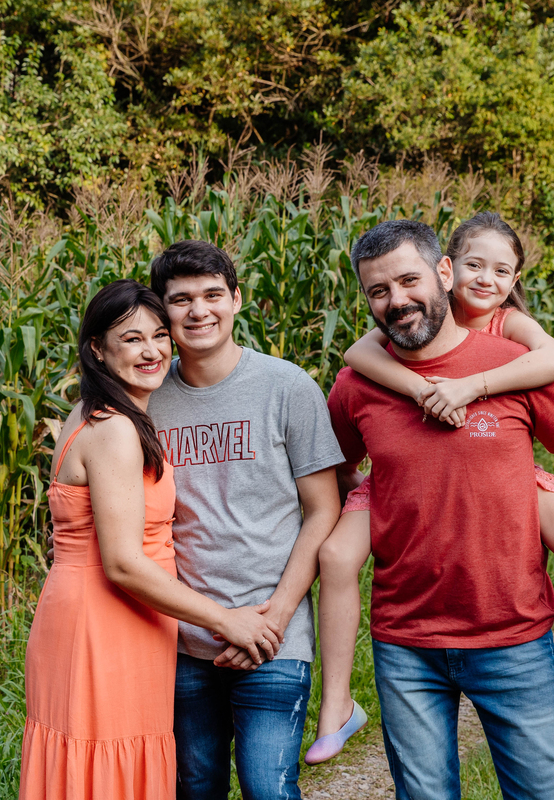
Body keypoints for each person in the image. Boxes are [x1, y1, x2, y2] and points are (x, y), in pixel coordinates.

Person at [307, 213, 554, 766]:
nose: (485, 279)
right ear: (454, 268)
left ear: (439, 273)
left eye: (501, 270)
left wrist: (513, 521)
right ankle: (336, 704)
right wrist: (417, 397)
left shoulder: (512, 343)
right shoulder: (367, 368)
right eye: (379, 290)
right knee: (336, 554)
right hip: (406, 630)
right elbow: (352, 373)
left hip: (512, 626)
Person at [19, 279, 283, 800]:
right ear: (97, 348)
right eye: (132, 339)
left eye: (160, 335)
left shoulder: (92, 412)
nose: (152, 351)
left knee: (91, 768)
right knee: (107, 765)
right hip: (108, 620)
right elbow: (120, 562)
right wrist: (225, 618)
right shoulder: (115, 428)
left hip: (100, 613)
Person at [146, 241, 344, 800]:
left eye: (212, 295)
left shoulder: (287, 387)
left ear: (236, 300)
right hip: (183, 639)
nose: (198, 311)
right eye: (180, 300)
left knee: (268, 787)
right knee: (196, 785)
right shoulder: (147, 399)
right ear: (163, 314)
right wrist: (210, 621)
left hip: (274, 636)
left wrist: (275, 617)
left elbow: (323, 509)